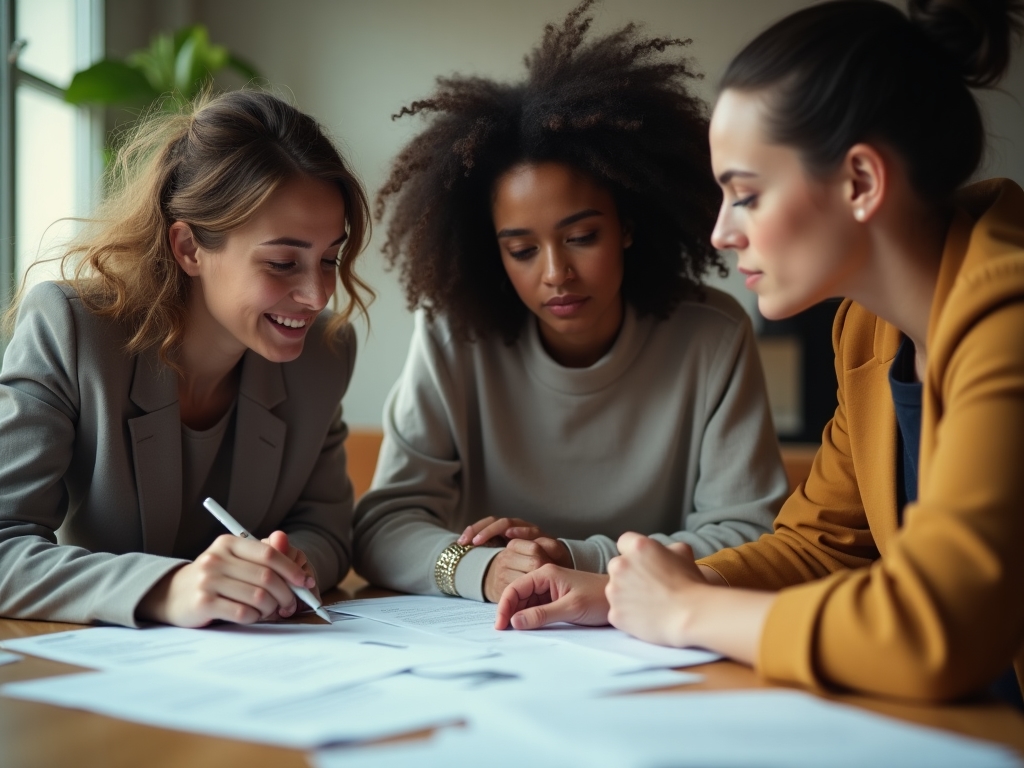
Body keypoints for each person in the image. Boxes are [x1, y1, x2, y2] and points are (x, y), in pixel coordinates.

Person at [495, 0, 1024, 706]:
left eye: (745, 195)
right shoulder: (869, 329)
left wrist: (687, 610)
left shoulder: (1009, 317)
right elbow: (820, 545)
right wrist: (630, 592)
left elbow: (936, 632)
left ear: (861, 182)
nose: (720, 233)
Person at [354, 0, 789, 603]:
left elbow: (748, 532)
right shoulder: (453, 336)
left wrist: (579, 558)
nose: (556, 273)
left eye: (581, 237)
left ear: (629, 225)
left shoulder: (711, 335)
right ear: (492, 251)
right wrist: (481, 571)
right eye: (522, 249)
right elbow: (383, 525)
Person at [0, 90, 372, 628]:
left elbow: (327, 528)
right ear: (189, 248)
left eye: (329, 258)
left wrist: (286, 564)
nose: (318, 296)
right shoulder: (71, 329)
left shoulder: (325, 356)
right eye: (283, 263)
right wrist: (169, 588)